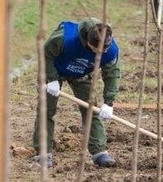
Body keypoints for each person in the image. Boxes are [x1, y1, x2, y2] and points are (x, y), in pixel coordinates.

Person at [34, 19, 120, 169]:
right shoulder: (65, 39)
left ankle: (99, 152)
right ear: (88, 43)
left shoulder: (111, 50)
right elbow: (45, 54)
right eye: (98, 51)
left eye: (104, 50)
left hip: (82, 73)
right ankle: (43, 153)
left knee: (91, 110)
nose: (103, 53)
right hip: (54, 69)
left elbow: (112, 74)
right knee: (46, 109)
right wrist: (51, 79)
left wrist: (109, 102)